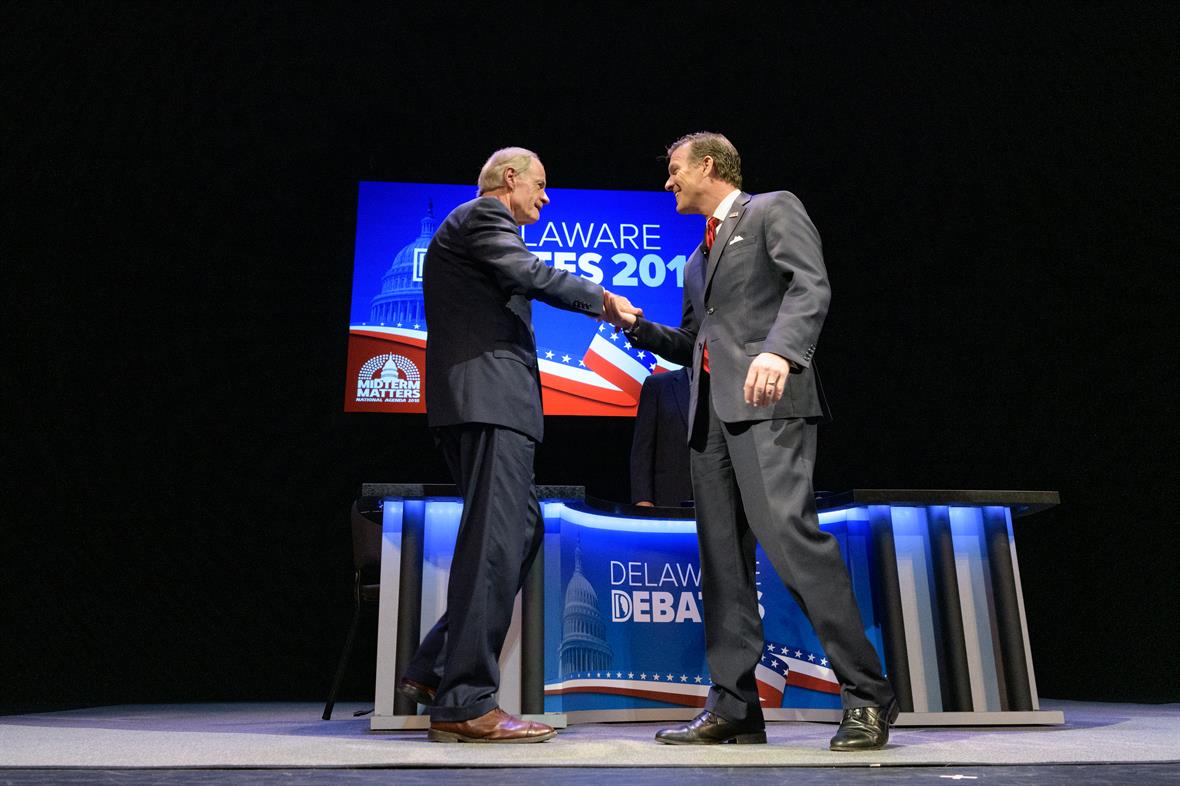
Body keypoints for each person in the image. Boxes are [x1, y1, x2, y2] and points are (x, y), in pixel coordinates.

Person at [604, 132, 898, 751]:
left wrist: (783, 352)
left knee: (794, 547)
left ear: (708, 166)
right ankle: (735, 706)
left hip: (769, 408)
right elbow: (695, 345)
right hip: (708, 423)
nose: (668, 182)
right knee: (724, 570)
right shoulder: (693, 260)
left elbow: (809, 285)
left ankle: (869, 696)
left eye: (675, 170)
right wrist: (638, 329)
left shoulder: (771, 209)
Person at [397, 147, 609, 743]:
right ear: (509, 179)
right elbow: (529, 275)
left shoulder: (478, 227)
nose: (545, 198)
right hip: (488, 403)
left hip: (490, 405)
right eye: (540, 185)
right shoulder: (483, 216)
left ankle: (436, 667)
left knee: (518, 532)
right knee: (496, 541)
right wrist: (604, 301)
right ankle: (466, 702)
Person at [630, 367, 693, 507]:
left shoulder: (732, 384)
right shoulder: (658, 385)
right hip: (669, 500)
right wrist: (643, 499)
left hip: (722, 501)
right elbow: (643, 448)